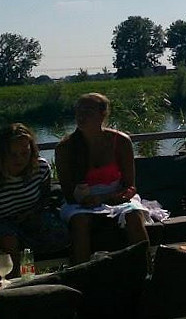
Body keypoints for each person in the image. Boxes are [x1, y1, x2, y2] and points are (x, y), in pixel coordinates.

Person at [55, 93, 151, 264]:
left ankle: (146, 269)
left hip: (117, 196)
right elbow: (68, 192)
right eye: (78, 112)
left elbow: (130, 186)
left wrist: (105, 198)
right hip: (80, 202)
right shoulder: (65, 147)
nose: (81, 117)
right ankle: (81, 274)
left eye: (88, 112)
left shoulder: (121, 141)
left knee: (134, 216)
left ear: (103, 114)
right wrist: (85, 199)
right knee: (80, 222)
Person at [0, 124, 68, 271]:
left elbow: (44, 198)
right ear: (1, 153)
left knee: (62, 231)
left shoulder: (40, 168)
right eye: (12, 154)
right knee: (9, 242)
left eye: (24, 153)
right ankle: (15, 280)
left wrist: (32, 212)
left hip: (26, 217)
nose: (19, 159)